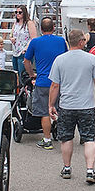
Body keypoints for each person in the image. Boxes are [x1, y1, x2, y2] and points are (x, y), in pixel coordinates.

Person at [49, 29, 95, 184]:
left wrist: (51, 105)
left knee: (66, 138)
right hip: (86, 106)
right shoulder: (91, 59)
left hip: (67, 106)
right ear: (81, 41)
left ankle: (67, 168)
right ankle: (90, 170)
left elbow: (55, 85)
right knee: (89, 138)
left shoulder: (60, 60)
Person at [24, 17, 68, 150]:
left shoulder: (35, 42)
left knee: (45, 112)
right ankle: (63, 136)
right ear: (54, 28)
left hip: (43, 81)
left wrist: (32, 74)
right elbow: (66, 58)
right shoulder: (61, 41)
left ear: (41, 29)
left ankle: (47, 139)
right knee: (61, 109)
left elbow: (26, 61)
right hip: (59, 82)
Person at [10, 5, 37, 75]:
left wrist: (26, 49)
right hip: (15, 51)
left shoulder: (29, 23)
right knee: (16, 73)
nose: (17, 14)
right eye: (16, 12)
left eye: (20, 12)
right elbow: (11, 33)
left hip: (24, 51)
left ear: (24, 13)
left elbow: (33, 38)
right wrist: (11, 38)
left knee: (23, 73)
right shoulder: (16, 23)